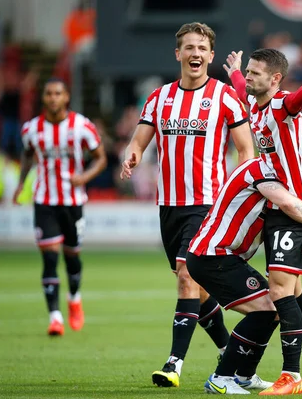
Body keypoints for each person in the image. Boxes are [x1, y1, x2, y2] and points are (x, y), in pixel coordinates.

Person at [119, 22, 255, 388]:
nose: (195, 53)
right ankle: (233, 356)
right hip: (169, 207)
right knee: (199, 288)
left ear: (211, 56)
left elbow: (245, 150)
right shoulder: (159, 98)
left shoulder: (226, 96)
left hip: (207, 204)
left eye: (202, 48)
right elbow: (138, 142)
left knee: (186, 278)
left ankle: (174, 364)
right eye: (189, 47)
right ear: (177, 54)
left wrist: (239, 192)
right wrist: (131, 156)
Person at [224, 49, 302, 394]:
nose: (248, 77)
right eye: (248, 71)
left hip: (297, 208)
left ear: (276, 79)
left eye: (255, 73)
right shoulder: (254, 107)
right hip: (277, 209)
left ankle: (291, 375)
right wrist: (233, 72)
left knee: (278, 292)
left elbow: (295, 102)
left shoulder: (281, 105)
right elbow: (242, 88)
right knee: (294, 291)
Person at [186, 157, 302, 395]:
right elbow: (289, 204)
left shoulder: (269, 180)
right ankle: (221, 377)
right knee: (268, 309)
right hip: (212, 255)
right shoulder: (261, 170)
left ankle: (244, 376)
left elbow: (283, 230)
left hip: (223, 257)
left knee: (272, 309)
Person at [13, 78, 107, 336]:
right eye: (48, 94)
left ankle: (74, 299)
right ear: (43, 98)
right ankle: (55, 317)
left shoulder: (82, 126)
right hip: (44, 201)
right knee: (50, 257)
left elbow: (100, 159)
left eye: (58, 93)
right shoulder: (31, 129)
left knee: (72, 256)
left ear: (66, 97)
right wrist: (21, 184)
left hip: (73, 202)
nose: (53, 98)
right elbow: (27, 156)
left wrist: (84, 177)